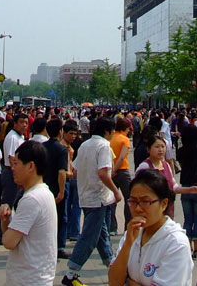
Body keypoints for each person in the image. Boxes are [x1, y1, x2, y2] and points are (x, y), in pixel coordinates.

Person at [62, 117, 122, 286]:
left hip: (87, 196)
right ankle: (71, 272)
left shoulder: (85, 145)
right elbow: (103, 173)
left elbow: (74, 170)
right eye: (112, 131)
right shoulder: (103, 145)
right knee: (89, 236)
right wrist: (116, 191)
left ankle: (112, 265)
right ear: (106, 131)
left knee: (101, 233)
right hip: (98, 198)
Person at [108, 169, 193, 286]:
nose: (137, 208)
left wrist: (128, 282)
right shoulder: (132, 234)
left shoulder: (175, 243)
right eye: (133, 201)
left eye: (145, 201)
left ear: (164, 204)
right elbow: (114, 282)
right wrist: (128, 244)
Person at [0, 141, 57, 286]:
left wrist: (3, 219)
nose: (13, 168)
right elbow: (15, 238)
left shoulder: (32, 199)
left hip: (29, 279)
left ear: (31, 166)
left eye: (16, 163)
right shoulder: (43, 192)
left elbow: (8, 242)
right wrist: (5, 220)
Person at [136, 135, 197, 218]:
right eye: (157, 147)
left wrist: (191, 189)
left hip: (167, 208)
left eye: (163, 147)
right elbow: (137, 190)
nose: (160, 150)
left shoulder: (166, 165)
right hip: (151, 211)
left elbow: (173, 187)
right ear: (148, 149)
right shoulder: (145, 167)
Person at [0, 113, 28, 245]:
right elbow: (12, 159)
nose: (24, 125)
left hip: (16, 173)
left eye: (26, 122)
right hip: (12, 173)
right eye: (21, 122)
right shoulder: (12, 137)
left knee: (16, 203)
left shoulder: (19, 136)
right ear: (15, 123)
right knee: (7, 204)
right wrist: (17, 176)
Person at [41, 119, 69, 259]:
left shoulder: (41, 147)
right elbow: (62, 172)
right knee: (59, 218)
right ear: (60, 131)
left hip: (42, 187)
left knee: (45, 219)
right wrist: (62, 191)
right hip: (55, 188)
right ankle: (58, 247)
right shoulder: (62, 149)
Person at [176, 124, 197, 257]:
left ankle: (187, 247)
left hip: (185, 186)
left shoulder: (181, 151)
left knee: (187, 219)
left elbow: (181, 165)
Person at [109, 117, 132, 234]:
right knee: (129, 199)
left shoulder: (111, 138)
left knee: (112, 200)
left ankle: (112, 227)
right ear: (125, 128)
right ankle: (128, 227)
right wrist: (116, 169)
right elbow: (122, 157)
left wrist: (111, 171)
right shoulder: (125, 139)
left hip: (111, 171)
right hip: (122, 170)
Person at [61, 120, 81, 242]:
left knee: (75, 206)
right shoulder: (62, 147)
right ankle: (70, 232)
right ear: (64, 133)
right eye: (71, 134)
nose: (73, 136)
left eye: (75, 134)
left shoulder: (72, 146)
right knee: (68, 207)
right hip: (67, 179)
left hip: (73, 177)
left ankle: (73, 231)